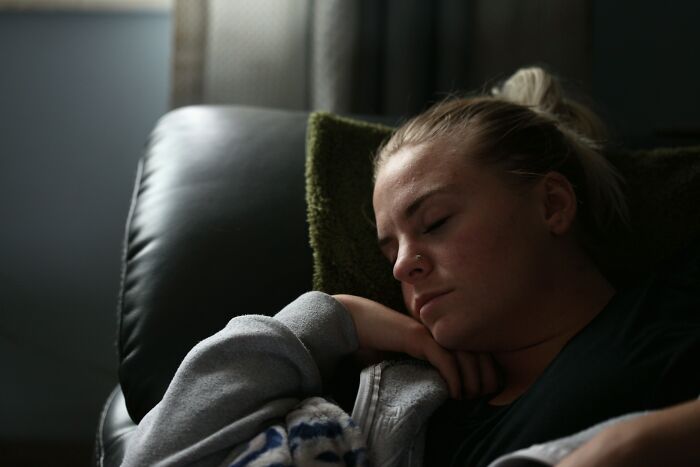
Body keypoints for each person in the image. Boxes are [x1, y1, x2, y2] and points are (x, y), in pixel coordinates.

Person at [120, 68, 700, 467]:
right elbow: (152, 456)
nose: (403, 266)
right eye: (388, 248)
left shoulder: (669, 311)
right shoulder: (410, 402)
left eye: (436, 222)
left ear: (552, 205)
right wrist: (334, 317)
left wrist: (628, 448)